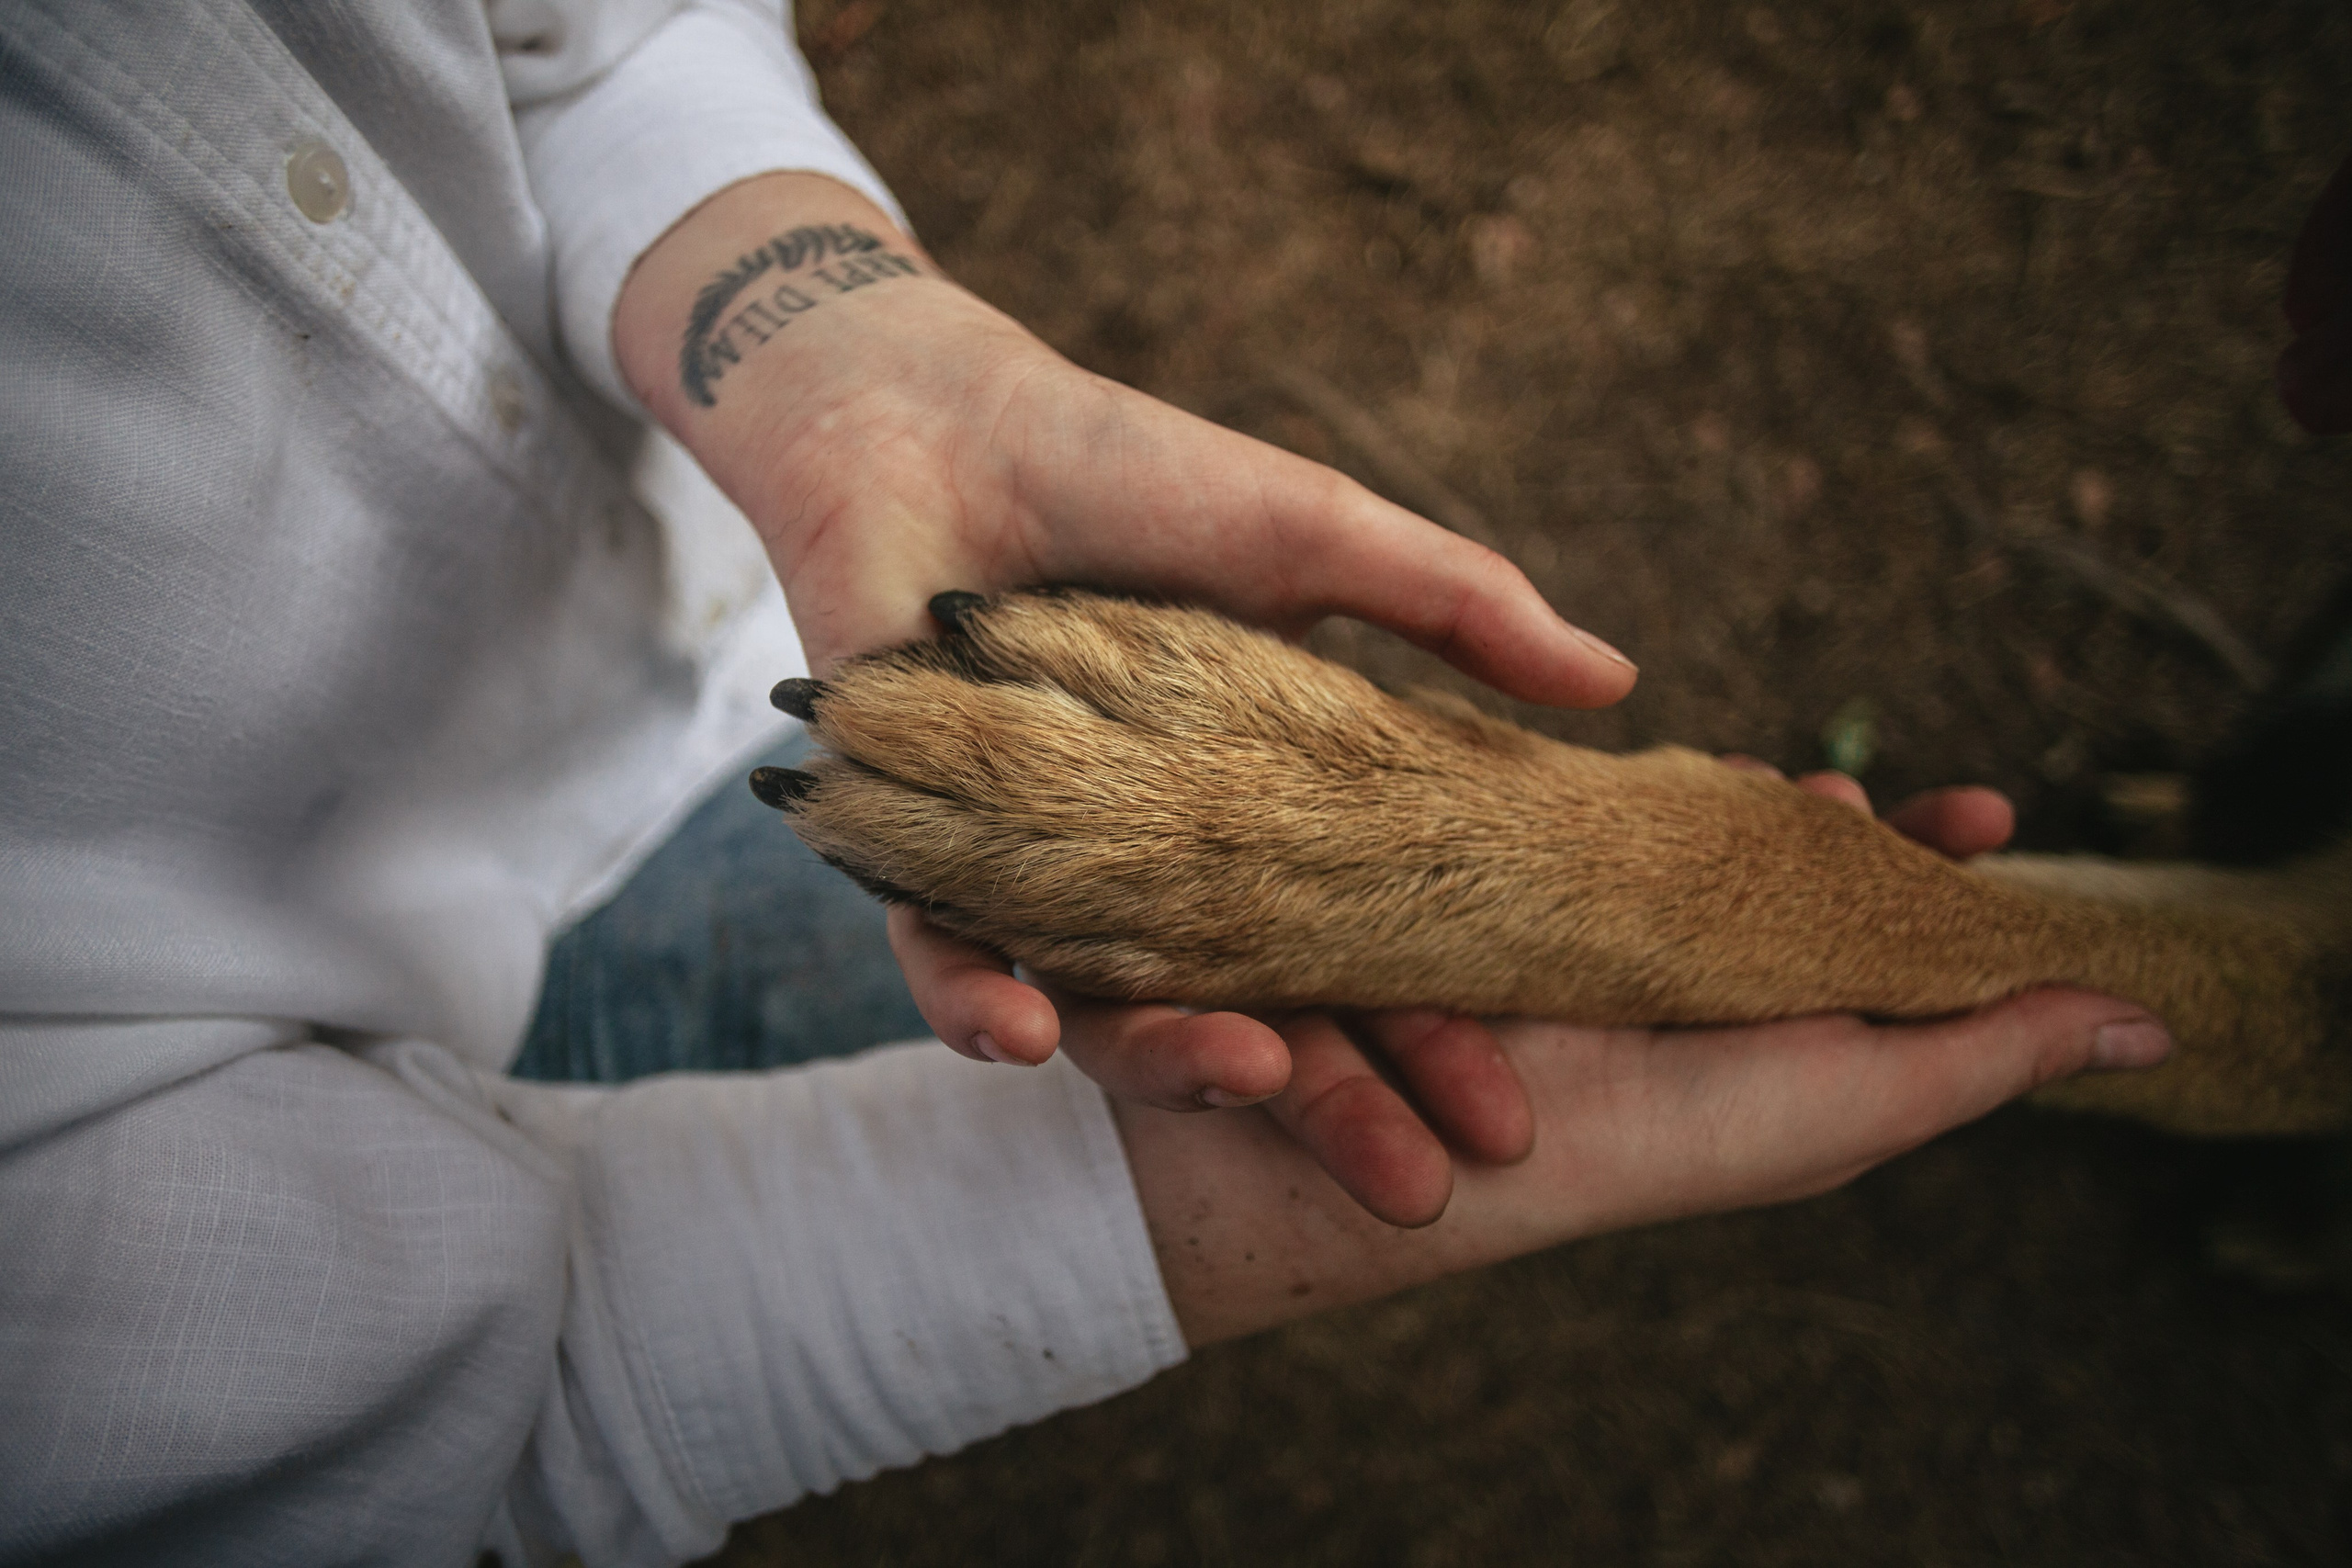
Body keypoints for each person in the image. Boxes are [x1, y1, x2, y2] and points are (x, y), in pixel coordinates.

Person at [0, 3, 2171, 1564]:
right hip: (343, 1135)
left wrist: (836, 349)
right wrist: (1218, 1217)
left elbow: (575, 35)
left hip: (810, 694)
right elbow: (466, 1408)